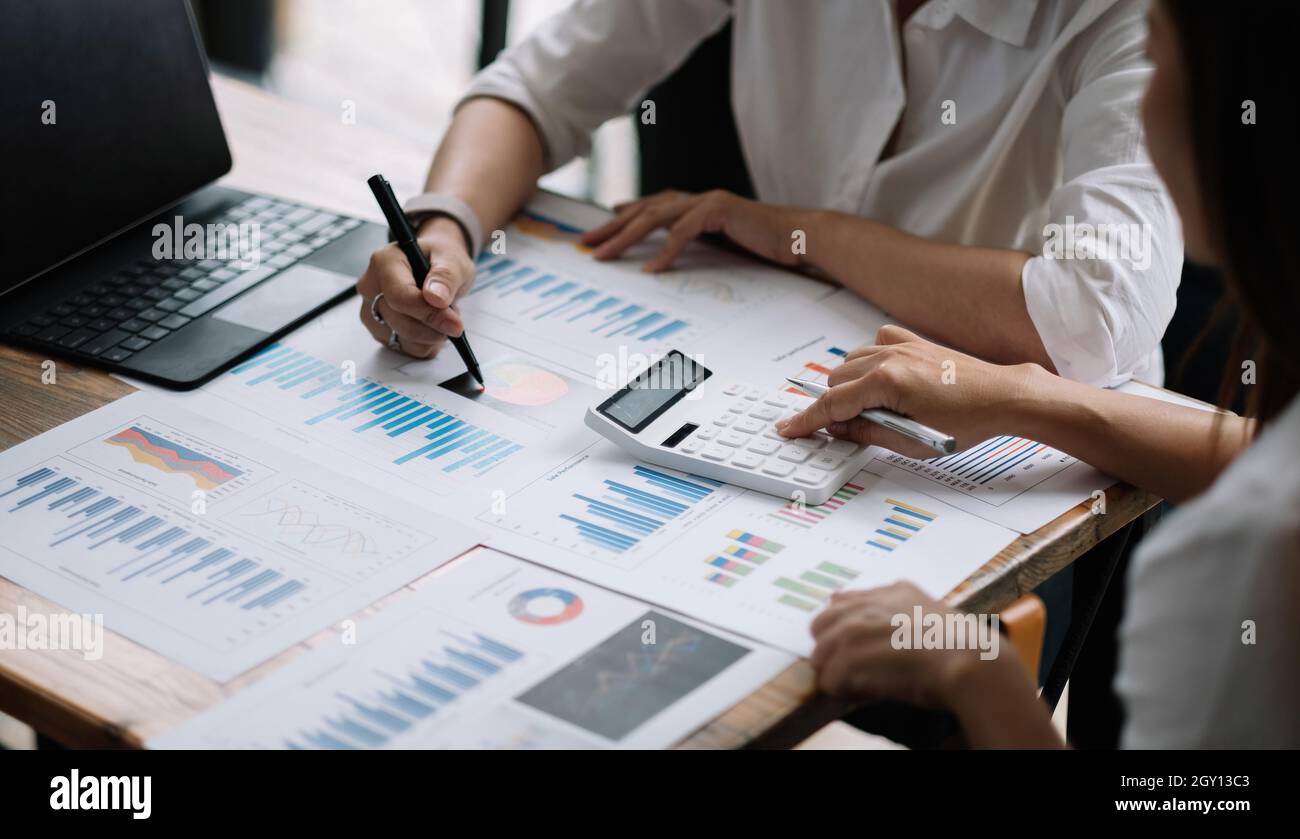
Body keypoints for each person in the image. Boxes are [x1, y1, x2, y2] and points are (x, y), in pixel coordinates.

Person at [778, 0, 1300, 748]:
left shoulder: (1235, 564)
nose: (1135, 105)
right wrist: (1026, 395)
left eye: (1153, 56)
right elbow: (1272, 455)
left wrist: (976, 669)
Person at [355, 0, 1181, 388]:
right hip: (789, 376)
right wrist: (446, 226)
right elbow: (541, 87)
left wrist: (798, 231)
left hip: (1029, 461)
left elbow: (1086, 319)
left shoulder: (1128, 19)